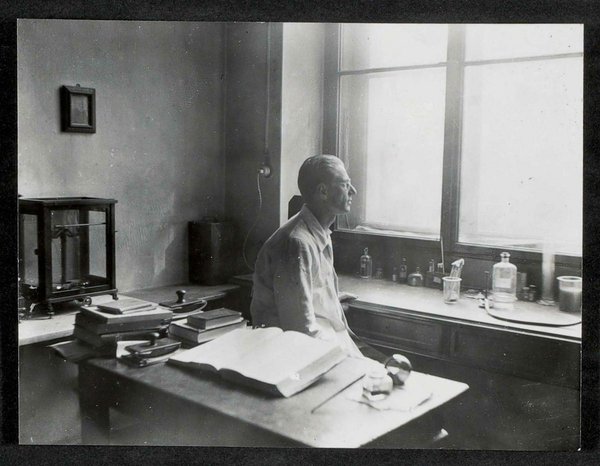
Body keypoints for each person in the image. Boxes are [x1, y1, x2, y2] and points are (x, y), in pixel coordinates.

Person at [250, 154, 387, 362]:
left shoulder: (318, 231)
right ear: (323, 191)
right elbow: (300, 330)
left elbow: (303, 294)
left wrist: (331, 297)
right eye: (345, 184)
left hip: (323, 344)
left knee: (383, 366)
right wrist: (351, 361)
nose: (353, 191)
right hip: (295, 356)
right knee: (379, 371)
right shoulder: (297, 242)